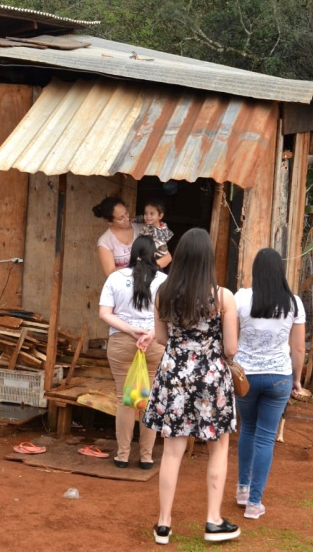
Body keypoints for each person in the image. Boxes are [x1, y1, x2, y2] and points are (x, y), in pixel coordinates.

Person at [142, 228, 241, 544]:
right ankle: (213, 521)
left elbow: (160, 338)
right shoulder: (222, 296)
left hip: (174, 376)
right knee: (218, 446)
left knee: (172, 450)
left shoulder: (163, 293)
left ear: (181, 256)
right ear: (208, 259)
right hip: (211, 378)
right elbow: (231, 349)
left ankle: (163, 524)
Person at [233, 248, 306, 520]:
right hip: (278, 377)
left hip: (245, 377)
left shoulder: (241, 298)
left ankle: (242, 489)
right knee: (266, 437)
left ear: (256, 270)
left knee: (247, 430)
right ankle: (254, 503)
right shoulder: (294, 303)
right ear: (280, 271)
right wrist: (296, 379)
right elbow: (298, 348)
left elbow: (232, 337)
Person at [98, 236, 167, 469]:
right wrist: (149, 333)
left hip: (121, 342)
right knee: (148, 399)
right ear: (154, 255)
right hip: (154, 343)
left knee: (124, 399)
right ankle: (146, 457)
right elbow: (169, 317)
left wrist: (130, 330)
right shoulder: (165, 281)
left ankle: (122, 455)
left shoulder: (115, 278)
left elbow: (105, 314)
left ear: (131, 254)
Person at [93, 196, 170, 278]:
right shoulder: (105, 241)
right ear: (109, 222)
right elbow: (110, 273)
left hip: (148, 280)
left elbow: (167, 257)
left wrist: (148, 267)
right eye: (121, 218)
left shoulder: (143, 228)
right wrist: (137, 270)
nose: (127, 218)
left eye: (126, 213)